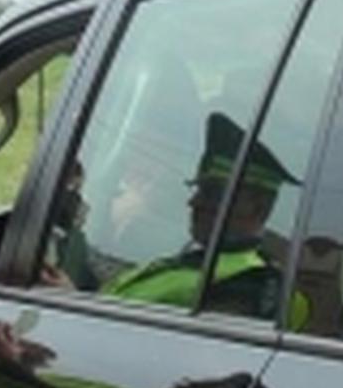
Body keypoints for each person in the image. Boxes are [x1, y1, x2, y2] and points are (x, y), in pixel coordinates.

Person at [101, 111, 310, 327]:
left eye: (213, 194)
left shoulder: (249, 285)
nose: (193, 203)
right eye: (198, 189)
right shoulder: (200, 260)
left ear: (258, 208)